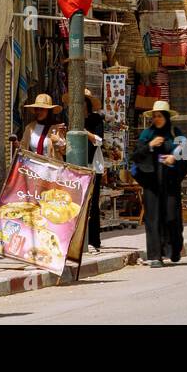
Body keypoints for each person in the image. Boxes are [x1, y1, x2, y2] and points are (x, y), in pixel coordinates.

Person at [131, 101, 187, 267]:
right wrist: (150, 146)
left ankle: (174, 249)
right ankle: (155, 256)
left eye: (160, 116)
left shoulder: (175, 133)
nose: (157, 119)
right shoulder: (146, 135)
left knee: (172, 217)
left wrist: (174, 157)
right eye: (155, 116)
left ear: (166, 117)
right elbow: (135, 156)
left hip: (170, 182)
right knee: (153, 218)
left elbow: (186, 153)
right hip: (151, 182)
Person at [10, 93, 67, 161]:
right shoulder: (30, 127)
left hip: (53, 169)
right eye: (37, 109)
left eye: (42, 109)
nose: (38, 112)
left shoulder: (58, 127)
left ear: (49, 111)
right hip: (35, 169)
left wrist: (58, 141)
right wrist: (17, 144)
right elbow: (23, 149)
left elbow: (66, 151)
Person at [84, 88, 105, 253]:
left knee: (92, 204)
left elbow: (99, 140)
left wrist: (85, 133)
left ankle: (93, 239)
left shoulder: (96, 119)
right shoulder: (72, 119)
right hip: (77, 165)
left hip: (93, 166)